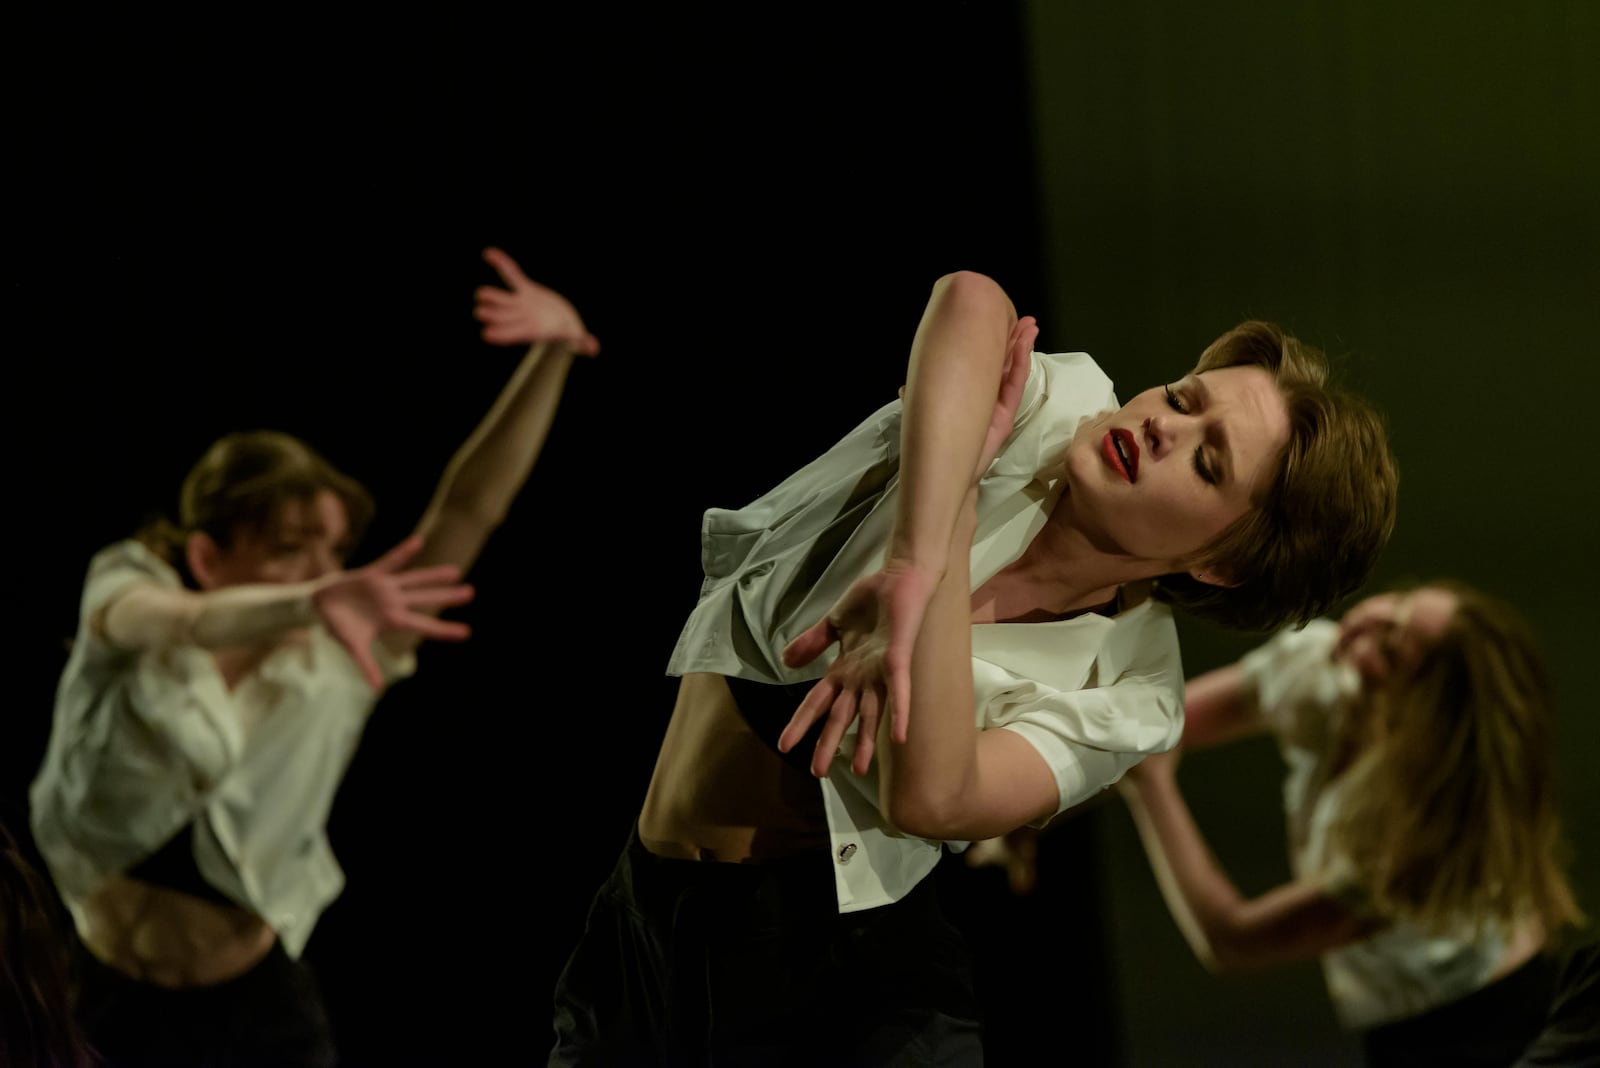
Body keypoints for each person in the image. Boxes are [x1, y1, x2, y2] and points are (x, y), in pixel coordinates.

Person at [548, 268, 1399, 1066]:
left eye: (1207, 461)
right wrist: (917, 557)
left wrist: (948, 524)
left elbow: (933, 797)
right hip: (643, 911)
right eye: (1181, 398)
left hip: (841, 985)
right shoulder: (1051, 404)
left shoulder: (1136, 693)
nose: (1162, 427)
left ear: (1219, 564)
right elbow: (969, 298)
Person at [29, 246, 599, 1068]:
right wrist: (304, 601)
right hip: (92, 992)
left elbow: (469, 510)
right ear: (208, 556)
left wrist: (555, 353)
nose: (327, 574)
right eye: (293, 547)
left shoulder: (344, 650)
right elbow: (158, 619)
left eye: (335, 552)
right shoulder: (131, 591)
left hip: (248, 1017)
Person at [1116, 580, 1592, 1067]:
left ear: (1419, 718)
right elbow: (1149, 729)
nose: (1366, 621)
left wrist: (1152, 787)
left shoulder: (1417, 840)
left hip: (1473, 1030)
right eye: (1398, 606)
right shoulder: (1322, 668)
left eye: (1389, 650)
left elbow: (1234, 940)